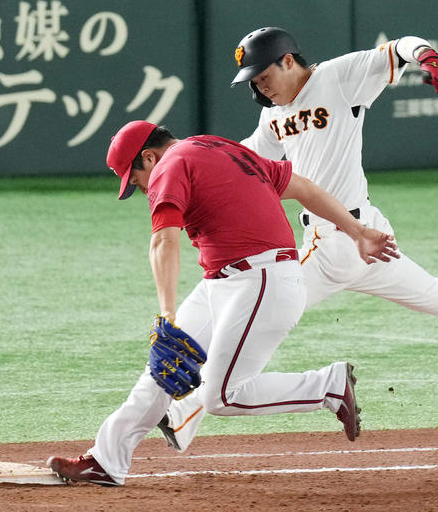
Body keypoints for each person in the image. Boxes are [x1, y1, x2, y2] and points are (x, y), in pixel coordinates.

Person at [157, 27, 438, 452]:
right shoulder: (273, 114)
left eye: (263, 74)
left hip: (338, 243)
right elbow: (247, 156)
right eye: (253, 80)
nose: (260, 86)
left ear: (288, 60)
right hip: (364, 239)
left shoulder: (337, 77)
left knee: (248, 301)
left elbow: (398, 47)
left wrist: (426, 56)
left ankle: (184, 414)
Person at [46, 120, 399, 486]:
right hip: (227, 280)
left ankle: (327, 386)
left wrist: (166, 315)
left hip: (262, 282)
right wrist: (357, 230)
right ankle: (106, 460)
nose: (139, 187)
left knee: (221, 396)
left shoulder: (169, 165)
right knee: (164, 368)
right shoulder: (221, 147)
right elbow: (304, 188)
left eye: (135, 179)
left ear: (149, 158)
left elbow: (163, 242)